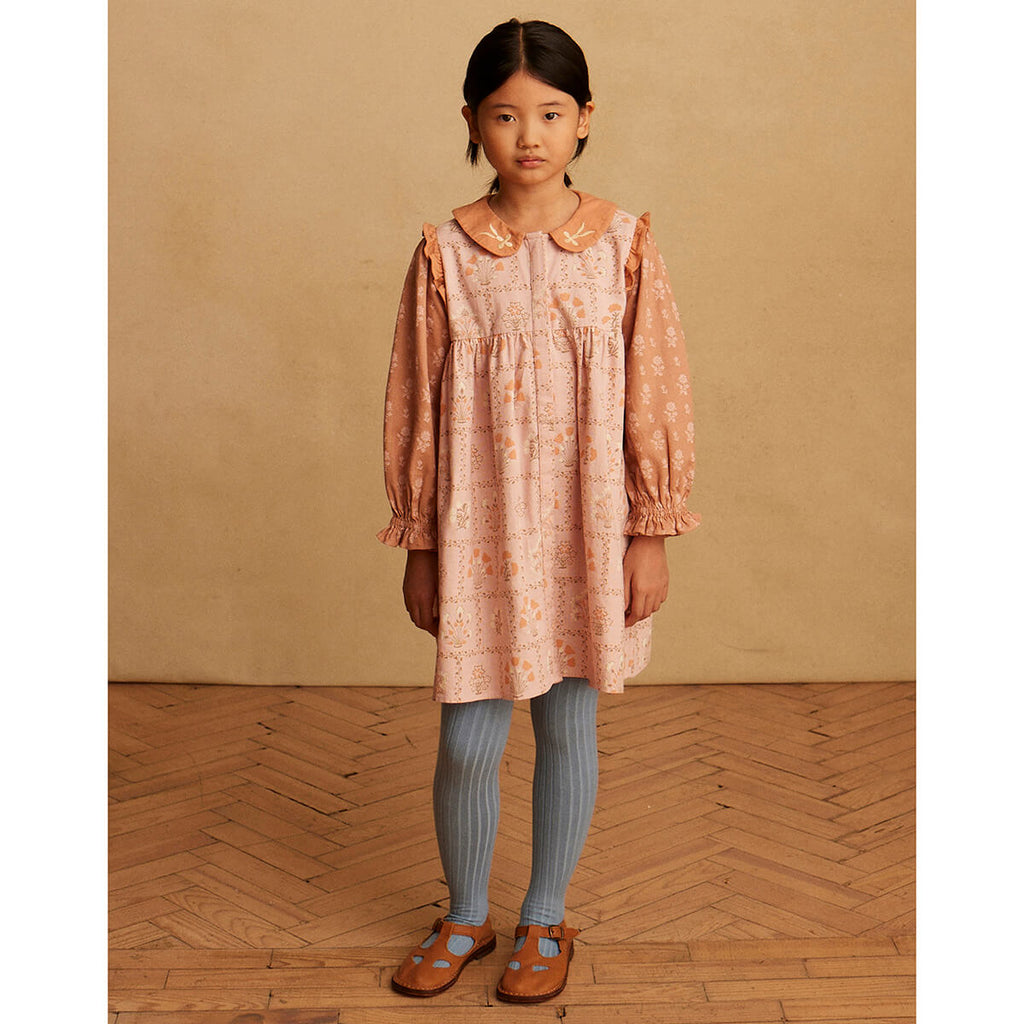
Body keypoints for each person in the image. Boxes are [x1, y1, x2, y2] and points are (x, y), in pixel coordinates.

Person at [377, 17, 700, 1004]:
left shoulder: (624, 244)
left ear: (585, 119)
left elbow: (655, 391)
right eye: (506, 114)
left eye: (551, 113)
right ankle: (465, 914)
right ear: (472, 121)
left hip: (586, 530)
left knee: (567, 728)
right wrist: (420, 542)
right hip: (477, 532)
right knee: (467, 739)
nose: (529, 135)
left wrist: (649, 530)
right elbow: (414, 403)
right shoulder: (445, 253)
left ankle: (546, 915)